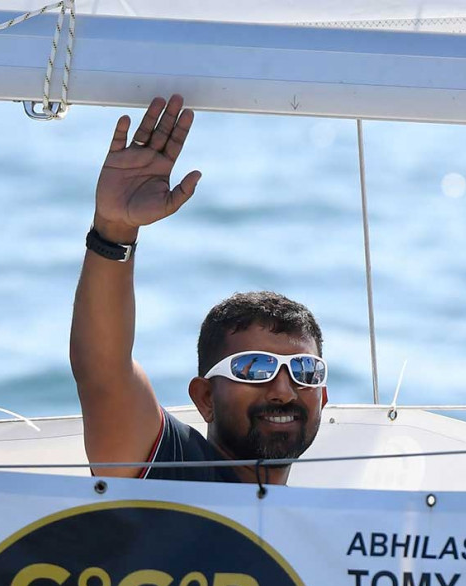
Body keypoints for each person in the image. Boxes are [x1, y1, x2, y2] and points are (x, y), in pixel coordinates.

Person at [69, 94, 328, 485]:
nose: (283, 391)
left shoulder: (343, 514)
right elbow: (102, 370)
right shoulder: (169, 467)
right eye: (254, 369)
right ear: (206, 398)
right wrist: (114, 229)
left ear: (322, 398)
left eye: (304, 371)